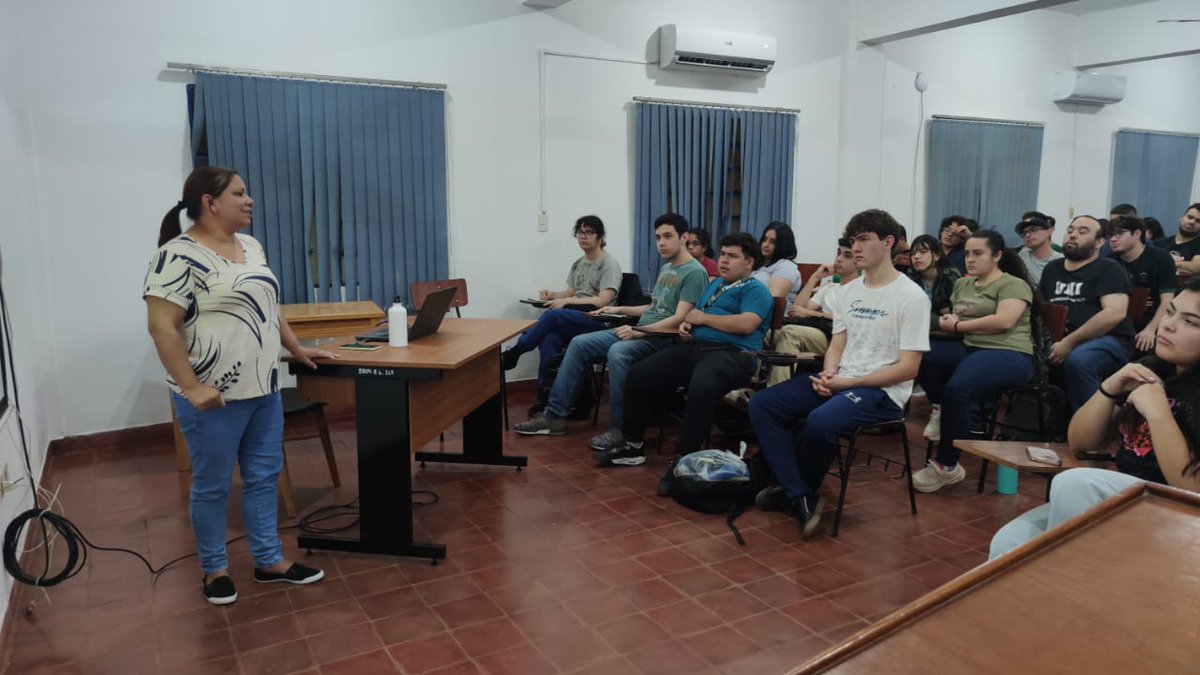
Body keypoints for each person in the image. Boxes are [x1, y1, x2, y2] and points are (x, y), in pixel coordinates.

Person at [144, 167, 332, 605]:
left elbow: (271, 306)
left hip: (263, 387)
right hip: (214, 397)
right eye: (239, 193)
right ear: (210, 202)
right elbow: (162, 328)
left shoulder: (250, 246)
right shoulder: (176, 255)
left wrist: (297, 350)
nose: (249, 200)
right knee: (212, 485)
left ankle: (269, 562)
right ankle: (214, 570)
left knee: (264, 478)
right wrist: (191, 387)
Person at [989, 277, 1200, 559]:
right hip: (1131, 499)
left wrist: (1159, 413)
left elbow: (1192, 490)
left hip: (1177, 511)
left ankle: (1074, 591)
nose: (1169, 324)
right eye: (1171, 312)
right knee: (1008, 543)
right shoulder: (1152, 369)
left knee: (1076, 484)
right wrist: (1109, 388)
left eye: (1191, 322)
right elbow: (1082, 443)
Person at [749, 210, 930, 539]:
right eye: (852, 240)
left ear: (888, 242)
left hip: (883, 393)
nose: (855, 248)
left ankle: (797, 490)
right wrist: (830, 372)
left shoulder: (912, 296)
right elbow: (838, 342)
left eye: (863, 240)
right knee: (762, 404)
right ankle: (800, 493)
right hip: (842, 380)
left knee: (820, 420)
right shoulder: (849, 291)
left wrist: (849, 382)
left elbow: (909, 368)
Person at [514, 213, 707, 447]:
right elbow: (655, 307)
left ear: (684, 237)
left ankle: (621, 428)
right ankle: (553, 416)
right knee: (579, 343)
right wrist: (619, 309)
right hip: (644, 329)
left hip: (663, 338)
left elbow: (679, 318)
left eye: (668, 237)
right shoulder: (668, 269)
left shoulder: (694, 273)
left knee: (618, 351)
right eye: (658, 237)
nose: (661, 243)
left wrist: (640, 332)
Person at [595, 232, 773, 479]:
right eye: (722, 254)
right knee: (639, 375)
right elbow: (694, 315)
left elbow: (747, 324)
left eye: (732, 256)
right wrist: (687, 326)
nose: (724, 261)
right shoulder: (716, 285)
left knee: (701, 386)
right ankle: (632, 446)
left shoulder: (756, 289)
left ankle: (684, 460)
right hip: (695, 348)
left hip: (733, 355)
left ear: (750, 262)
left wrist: (702, 319)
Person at [911, 230, 1037, 492]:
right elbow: (956, 322)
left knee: (958, 389)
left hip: (1010, 353)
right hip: (970, 347)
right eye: (967, 253)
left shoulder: (1012, 284)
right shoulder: (963, 285)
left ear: (997, 255)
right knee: (921, 353)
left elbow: (1004, 321)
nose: (969, 259)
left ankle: (947, 466)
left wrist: (956, 326)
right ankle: (941, 408)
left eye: (978, 253)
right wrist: (949, 324)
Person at [502, 215, 621, 388]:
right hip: (576, 317)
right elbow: (572, 292)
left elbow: (603, 301)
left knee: (554, 315)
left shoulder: (609, 264)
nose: (583, 236)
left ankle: (518, 350)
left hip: (598, 321)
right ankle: (546, 394)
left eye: (589, 232)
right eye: (580, 232)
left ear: (600, 236)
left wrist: (565, 302)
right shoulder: (578, 263)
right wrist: (553, 295)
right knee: (550, 338)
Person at [1039, 216, 1135, 412]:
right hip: (1059, 338)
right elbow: (1042, 310)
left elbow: (1114, 313)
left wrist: (1069, 342)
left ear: (1100, 242)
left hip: (1110, 340)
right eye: (1071, 230)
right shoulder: (1052, 269)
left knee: (1079, 360)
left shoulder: (1108, 268)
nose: (1073, 235)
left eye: (1083, 232)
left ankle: (1095, 429)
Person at [764, 238, 858, 387]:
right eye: (838, 253)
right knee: (765, 331)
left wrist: (812, 314)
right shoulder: (829, 288)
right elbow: (796, 310)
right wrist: (815, 277)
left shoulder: (860, 289)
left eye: (847, 255)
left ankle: (775, 389)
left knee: (791, 332)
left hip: (835, 337)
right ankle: (750, 384)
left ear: (858, 261)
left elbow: (849, 319)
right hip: (817, 332)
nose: (839, 259)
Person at [1108, 216, 1177, 353]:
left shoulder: (1161, 258)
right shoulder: (1109, 262)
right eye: (1110, 235)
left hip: (1151, 322)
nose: (1113, 239)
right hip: (1117, 325)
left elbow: (1168, 301)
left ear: (1137, 234)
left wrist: (1151, 330)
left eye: (1120, 233)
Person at [906, 234, 962, 330]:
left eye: (923, 252)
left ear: (937, 255)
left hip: (947, 332)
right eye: (912, 253)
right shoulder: (910, 277)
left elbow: (955, 312)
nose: (916, 256)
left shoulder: (951, 276)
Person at [753, 221, 803, 305]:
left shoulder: (786, 266)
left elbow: (772, 301)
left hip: (766, 314)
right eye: (764, 239)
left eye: (772, 242)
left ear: (783, 245)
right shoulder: (758, 264)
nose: (765, 244)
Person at [1153, 203, 1200, 278]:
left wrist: (1162, 263)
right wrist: (1181, 265)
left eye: (1198, 221)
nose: (1192, 222)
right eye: (1190, 217)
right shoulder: (1158, 243)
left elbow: (1196, 267)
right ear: (1181, 217)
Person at [1015, 216, 1063, 286]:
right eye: (1024, 233)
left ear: (1048, 232)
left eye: (1034, 230)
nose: (1028, 235)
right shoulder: (1022, 256)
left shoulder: (1061, 261)